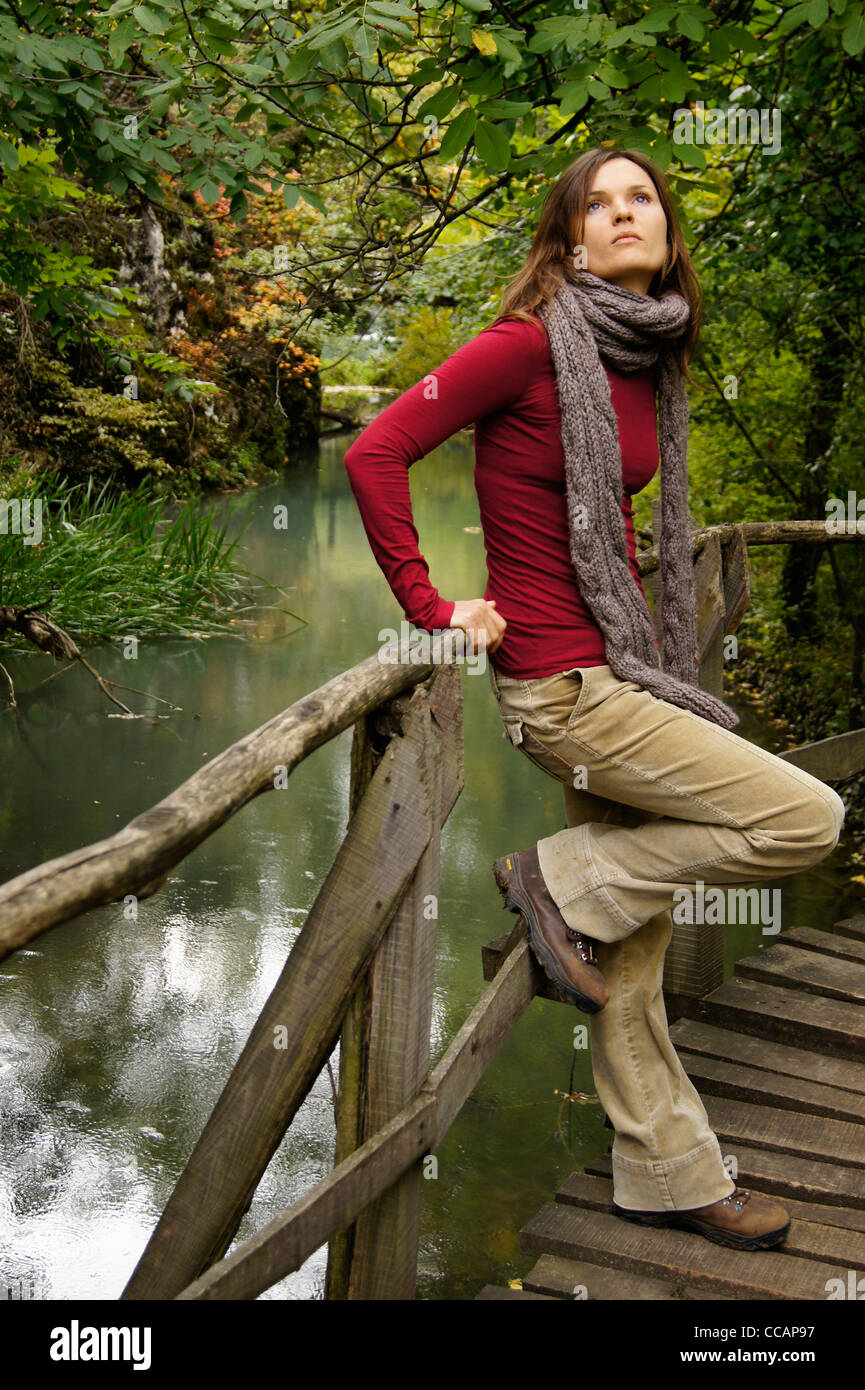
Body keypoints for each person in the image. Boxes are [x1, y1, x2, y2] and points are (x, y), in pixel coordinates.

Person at [343, 145, 846, 1253]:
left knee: (632, 951)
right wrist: (431, 607)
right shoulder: (524, 346)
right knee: (807, 817)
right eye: (597, 204)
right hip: (565, 693)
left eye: (641, 200)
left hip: (616, 672)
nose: (622, 215)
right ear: (569, 240)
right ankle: (559, 877)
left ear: (664, 233)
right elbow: (376, 450)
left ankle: (666, 1174)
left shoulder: (639, 360)